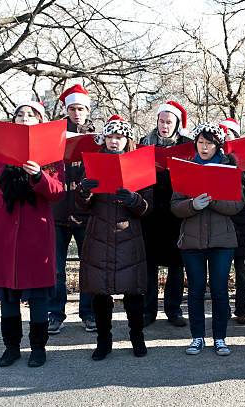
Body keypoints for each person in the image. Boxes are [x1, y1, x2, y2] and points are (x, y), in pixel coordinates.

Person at [0, 101, 65, 367]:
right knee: (8, 297)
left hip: (37, 235)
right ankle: (11, 347)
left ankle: (38, 348)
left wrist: (39, 175)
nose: (24, 118)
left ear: (39, 121)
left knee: (38, 297)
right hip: (3, 235)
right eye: (20, 114)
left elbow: (58, 192)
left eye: (31, 115)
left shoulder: (51, 154)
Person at [76, 115, 153, 361]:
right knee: (100, 293)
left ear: (127, 139)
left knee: (133, 293)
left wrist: (134, 200)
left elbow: (148, 207)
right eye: (110, 136)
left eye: (119, 137)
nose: (114, 141)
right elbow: (81, 206)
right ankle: (103, 340)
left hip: (129, 237)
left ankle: (137, 338)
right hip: (99, 235)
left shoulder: (140, 163)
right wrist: (84, 192)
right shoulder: (93, 163)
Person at [171, 123, 245, 356]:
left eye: (209, 143)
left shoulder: (229, 167)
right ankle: (197, 337)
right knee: (195, 290)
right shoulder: (187, 168)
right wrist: (192, 205)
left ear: (218, 145)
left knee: (220, 290)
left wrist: (213, 200)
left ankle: (220, 338)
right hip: (192, 240)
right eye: (201, 143)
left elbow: (237, 204)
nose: (204, 148)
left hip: (222, 241)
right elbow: (174, 206)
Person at [48, 84, 96, 335]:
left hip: (85, 213)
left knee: (88, 265)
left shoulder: (96, 136)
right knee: (56, 268)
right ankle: (55, 314)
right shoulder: (53, 134)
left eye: (81, 108)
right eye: (73, 108)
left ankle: (88, 313)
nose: (77, 113)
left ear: (88, 110)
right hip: (57, 212)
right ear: (67, 110)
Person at [140, 101, 191, 327]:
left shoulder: (187, 145)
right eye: (161, 121)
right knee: (148, 264)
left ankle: (173, 309)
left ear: (177, 124)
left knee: (176, 264)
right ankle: (148, 310)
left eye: (169, 122)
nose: (164, 126)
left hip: (175, 211)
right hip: (150, 211)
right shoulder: (144, 143)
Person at [220, 118, 245, 325]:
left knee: (243, 270)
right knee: (221, 270)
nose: (226, 139)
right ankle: (223, 309)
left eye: (229, 135)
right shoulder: (216, 159)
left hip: (243, 221)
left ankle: (242, 310)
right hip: (222, 220)